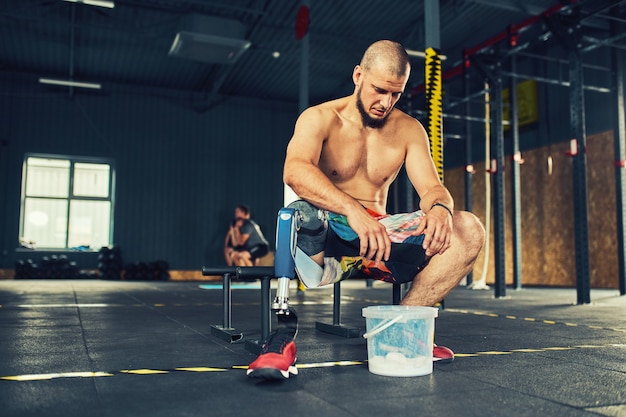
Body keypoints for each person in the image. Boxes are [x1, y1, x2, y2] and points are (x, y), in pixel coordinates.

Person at [247, 40, 485, 380]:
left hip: (378, 243)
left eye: (396, 94)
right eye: (379, 90)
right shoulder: (319, 118)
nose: (385, 102)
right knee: (298, 211)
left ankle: (402, 328)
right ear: (358, 75)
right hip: (325, 243)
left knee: (468, 227)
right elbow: (295, 171)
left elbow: (433, 189)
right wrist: (353, 211)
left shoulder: (408, 129)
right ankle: (280, 333)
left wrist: (440, 211)